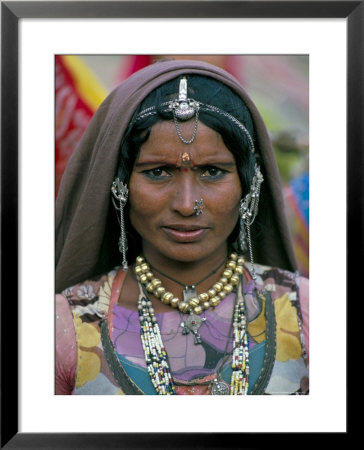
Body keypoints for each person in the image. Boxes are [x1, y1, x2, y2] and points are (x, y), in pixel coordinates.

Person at [55, 59, 309, 395]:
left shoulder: (309, 313)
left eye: (212, 172)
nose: (187, 205)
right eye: (158, 172)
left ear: (249, 184)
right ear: (119, 184)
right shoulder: (61, 330)